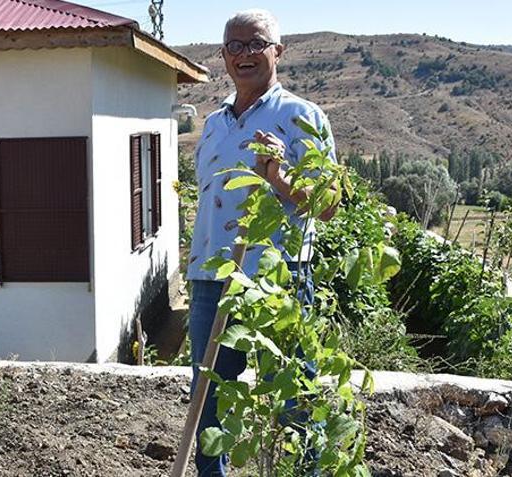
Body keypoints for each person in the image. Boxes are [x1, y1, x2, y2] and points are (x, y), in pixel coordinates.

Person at [185, 9, 338, 476]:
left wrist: (278, 175)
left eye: (256, 44)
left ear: (278, 51)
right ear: (224, 56)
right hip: (212, 276)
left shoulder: (301, 117)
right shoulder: (213, 124)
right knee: (209, 396)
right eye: (235, 46)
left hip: (278, 276)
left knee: (291, 392)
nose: (245, 54)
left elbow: (328, 204)